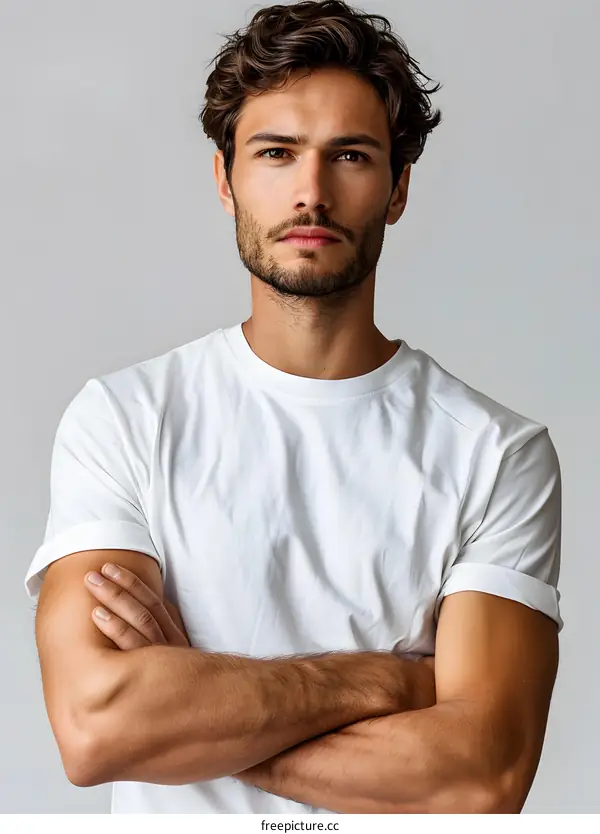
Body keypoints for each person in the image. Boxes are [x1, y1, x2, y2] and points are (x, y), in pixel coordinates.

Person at [24, 0, 562, 815]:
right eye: (276, 153)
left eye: (350, 155)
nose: (312, 193)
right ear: (226, 179)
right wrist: (383, 681)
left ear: (397, 189)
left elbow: (480, 778)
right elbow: (98, 728)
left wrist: (197, 713)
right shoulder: (125, 420)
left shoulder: (497, 452)